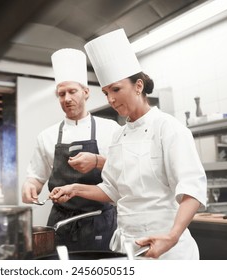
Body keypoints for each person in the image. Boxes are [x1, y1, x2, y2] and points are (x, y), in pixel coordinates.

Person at [50, 29, 207, 259]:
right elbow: (112, 189)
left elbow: (192, 190)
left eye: (116, 89)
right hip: (129, 247)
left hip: (168, 250)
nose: (111, 99)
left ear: (139, 86)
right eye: (105, 92)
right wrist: (74, 189)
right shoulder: (119, 136)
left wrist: (172, 236)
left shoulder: (168, 128)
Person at [21, 48, 121, 251]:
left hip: (99, 220)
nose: (66, 98)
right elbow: (36, 178)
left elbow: (125, 171)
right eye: (61, 94)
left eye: (72, 92)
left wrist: (97, 160)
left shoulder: (110, 130)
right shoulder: (46, 136)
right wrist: (30, 186)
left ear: (86, 92)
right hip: (60, 224)